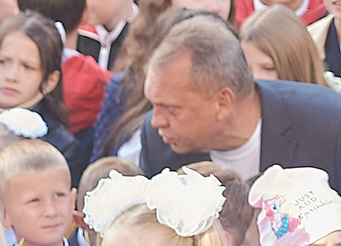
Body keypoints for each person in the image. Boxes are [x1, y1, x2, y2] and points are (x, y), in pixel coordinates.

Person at [138, 11, 341, 177]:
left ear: (223, 103)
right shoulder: (156, 141)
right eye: (154, 105)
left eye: (171, 109)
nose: (157, 121)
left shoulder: (328, 126)